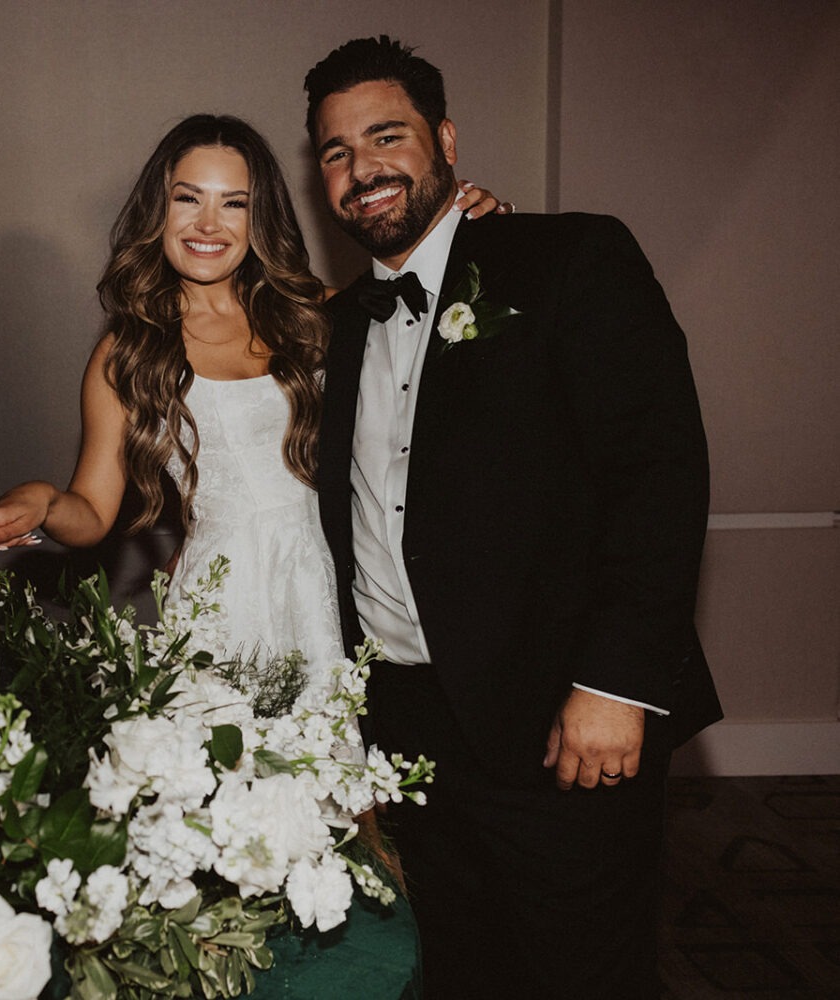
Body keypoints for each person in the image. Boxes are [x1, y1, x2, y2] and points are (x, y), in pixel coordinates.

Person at [304, 36, 722, 999]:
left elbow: (658, 472)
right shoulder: (334, 325)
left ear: (444, 140)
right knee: (456, 970)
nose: (362, 168)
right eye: (334, 151)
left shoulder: (567, 257)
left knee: (583, 973)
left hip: (561, 725)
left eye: (386, 136)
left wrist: (618, 683)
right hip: (403, 727)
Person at [0, 114, 501, 683]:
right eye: (188, 198)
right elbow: (93, 515)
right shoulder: (126, 354)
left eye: (234, 203)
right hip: (221, 605)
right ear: (161, 209)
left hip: (343, 589)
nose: (209, 223)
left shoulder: (320, 315)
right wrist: (48, 501)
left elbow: (432, 320)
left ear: (260, 219)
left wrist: (470, 223)